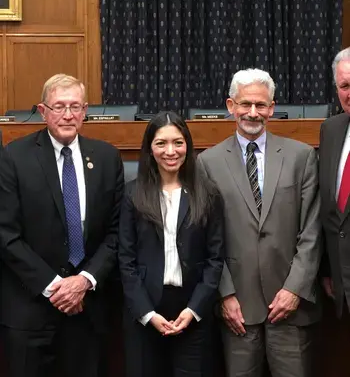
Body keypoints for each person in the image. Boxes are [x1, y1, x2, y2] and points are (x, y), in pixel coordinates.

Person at [197, 68, 321, 377]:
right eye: (245, 104)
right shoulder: (207, 163)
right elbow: (206, 237)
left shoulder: (301, 157)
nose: (253, 113)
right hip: (237, 306)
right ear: (231, 106)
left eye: (261, 105)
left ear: (272, 108)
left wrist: (294, 288)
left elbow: (313, 230)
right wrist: (224, 294)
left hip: (290, 304)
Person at [0, 74, 124, 377]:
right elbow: (6, 233)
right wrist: (55, 286)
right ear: (43, 111)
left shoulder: (107, 157)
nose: (68, 115)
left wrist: (84, 281)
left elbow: (117, 231)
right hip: (30, 309)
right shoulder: (14, 157)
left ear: (85, 112)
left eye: (75, 106)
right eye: (59, 107)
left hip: (89, 308)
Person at [118, 111, 224, 377]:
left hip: (192, 309)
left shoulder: (208, 193)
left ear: (188, 145)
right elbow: (126, 260)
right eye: (161, 143)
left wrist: (194, 310)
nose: (171, 151)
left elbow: (215, 259)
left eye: (178, 142)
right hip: (145, 311)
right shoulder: (132, 194)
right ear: (149, 149)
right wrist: (147, 313)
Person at [319, 48, 350, 317]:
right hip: (342, 284)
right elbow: (330, 212)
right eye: (345, 85)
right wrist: (329, 269)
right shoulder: (331, 130)